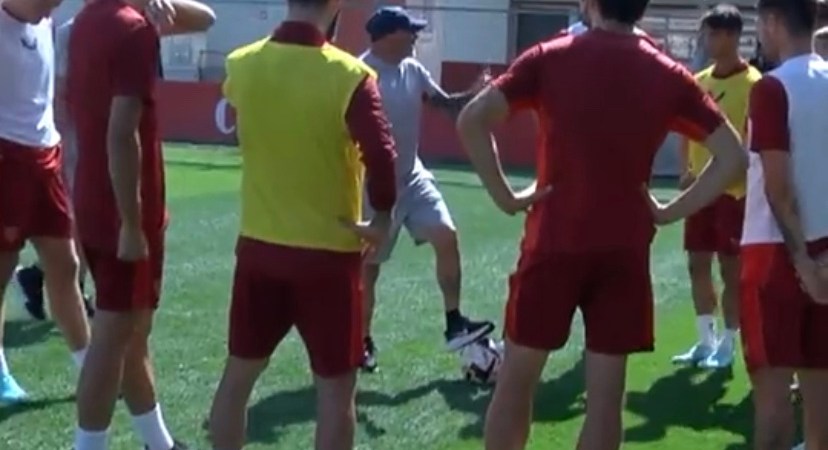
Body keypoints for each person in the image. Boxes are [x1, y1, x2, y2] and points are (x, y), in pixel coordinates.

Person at [456, 0, 748, 448]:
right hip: (624, 252)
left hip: (552, 245)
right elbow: (732, 156)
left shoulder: (551, 56)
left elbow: (472, 118)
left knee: (516, 383)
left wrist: (505, 196)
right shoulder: (667, 72)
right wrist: (669, 211)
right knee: (606, 402)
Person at [206, 0, 397, 448]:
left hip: (259, 246)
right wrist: (382, 218)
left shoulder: (242, 63)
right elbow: (383, 156)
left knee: (237, 377)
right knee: (335, 390)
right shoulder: (350, 75)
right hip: (328, 255)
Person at [66, 0, 215, 448]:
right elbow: (121, 133)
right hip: (124, 207)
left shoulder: (88, 21)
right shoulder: (132, 30)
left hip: (94, 195)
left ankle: (159, 442)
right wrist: (131, 224)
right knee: (113, 336)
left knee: (131, 332)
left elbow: (204, 18)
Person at [358, 6, 494, 372]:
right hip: (372, 186)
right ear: (389, 35)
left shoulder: (413, 69)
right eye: (411, 31)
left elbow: (446, 106)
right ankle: (361, 340)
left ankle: (454, 322)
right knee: (368, 270)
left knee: (446, 235)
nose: (416, 37)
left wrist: (475, 94)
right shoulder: (359, 74)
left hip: (413, 176)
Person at [741, 1, 828, 449]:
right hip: (825, 250)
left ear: (773, 22)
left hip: (775, 254)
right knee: (821, 409)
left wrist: (803, 263)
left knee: (773, 406)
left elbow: (778, 188)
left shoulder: (772, 88)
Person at [0, 0, 91, 404]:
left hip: (45, 156)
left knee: (65, 265)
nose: (56, 5)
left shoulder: (46, 22)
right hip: (6, 157)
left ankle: (90, 368)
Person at [672, 4, 759, 370]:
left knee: (730, 269)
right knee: (697, 264)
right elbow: (685, 130)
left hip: (733, 193)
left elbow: (752, 142)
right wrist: (686, 170)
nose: (705, 40)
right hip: (700, 191)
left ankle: (728, 342)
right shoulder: (699, 81)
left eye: (711, 34)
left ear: (731, 36)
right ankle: (704, 340)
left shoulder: (754, 84)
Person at [13, 0, 98, 323]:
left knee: (85, 224)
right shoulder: (70, 32)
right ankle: (55, 283)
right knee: (80, 222)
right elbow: (58, 92)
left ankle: (40, 278)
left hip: (87, 143)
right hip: (70, 143)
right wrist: (65, 143)